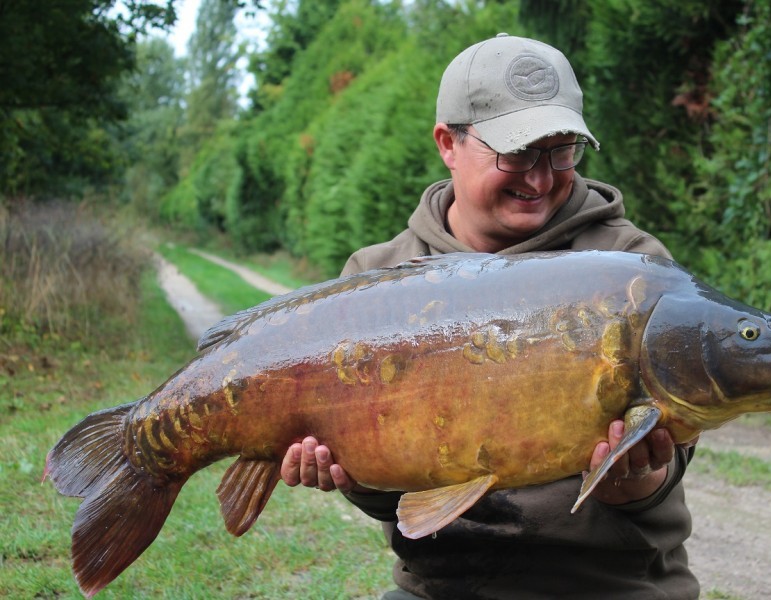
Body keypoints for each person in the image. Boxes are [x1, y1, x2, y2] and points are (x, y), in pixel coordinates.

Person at [281, 34, 700, 599]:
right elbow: (400, 504)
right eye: (517, 152)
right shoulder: (378, 277)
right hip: (443, 586)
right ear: (447, 144)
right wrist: (349, 471)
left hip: (606, 585)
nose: (541, 177)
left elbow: (672, 456)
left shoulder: (630, 269)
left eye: (561, 150)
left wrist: (637, 480)